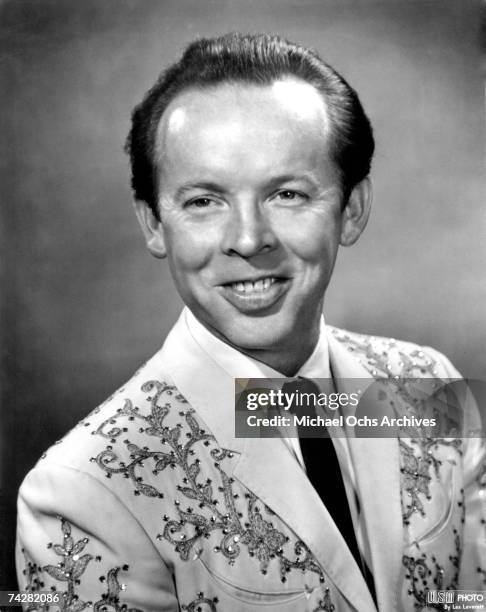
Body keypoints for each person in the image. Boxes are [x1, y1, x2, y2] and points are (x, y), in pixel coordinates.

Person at [16, 33, 485, 612]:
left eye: (287, 193)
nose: (248, 240)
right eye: (203, 202)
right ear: (154, 225)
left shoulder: (429, 386)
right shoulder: (81, 490)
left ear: (352, 210)